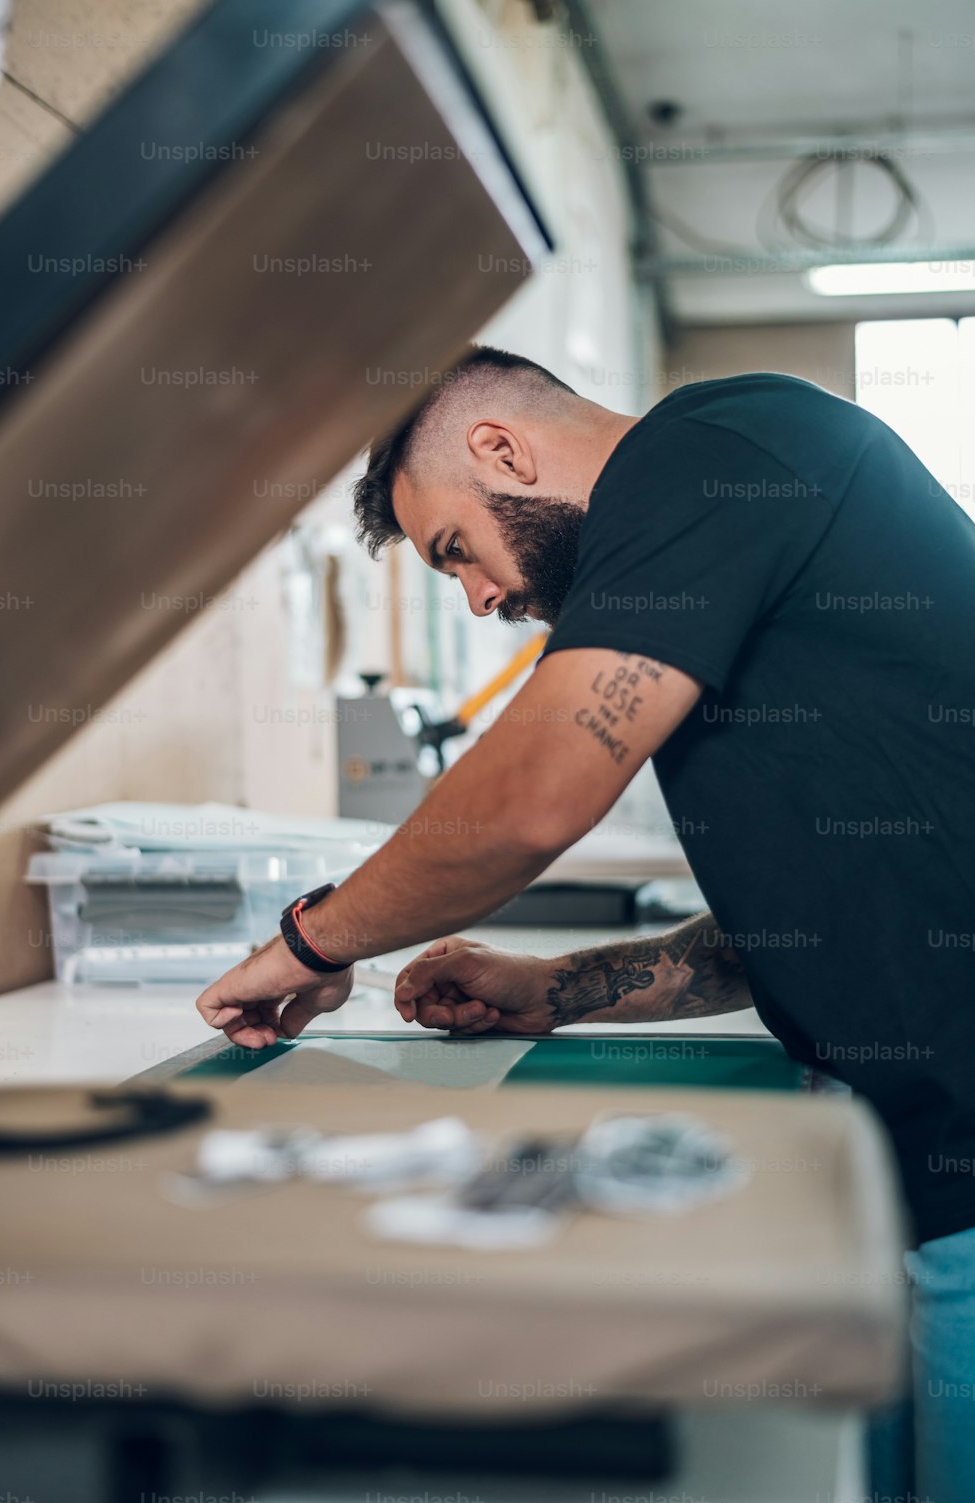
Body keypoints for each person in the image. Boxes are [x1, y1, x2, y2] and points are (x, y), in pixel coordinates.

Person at [196, 346, 975, 1500]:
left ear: (501, 449)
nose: (481, 598)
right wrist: (558, 989)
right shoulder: (730, 522)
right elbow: (820, 916)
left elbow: (529, 802)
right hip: (920, 1159)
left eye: (455, 550)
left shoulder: (715, 448)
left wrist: (310, 942)